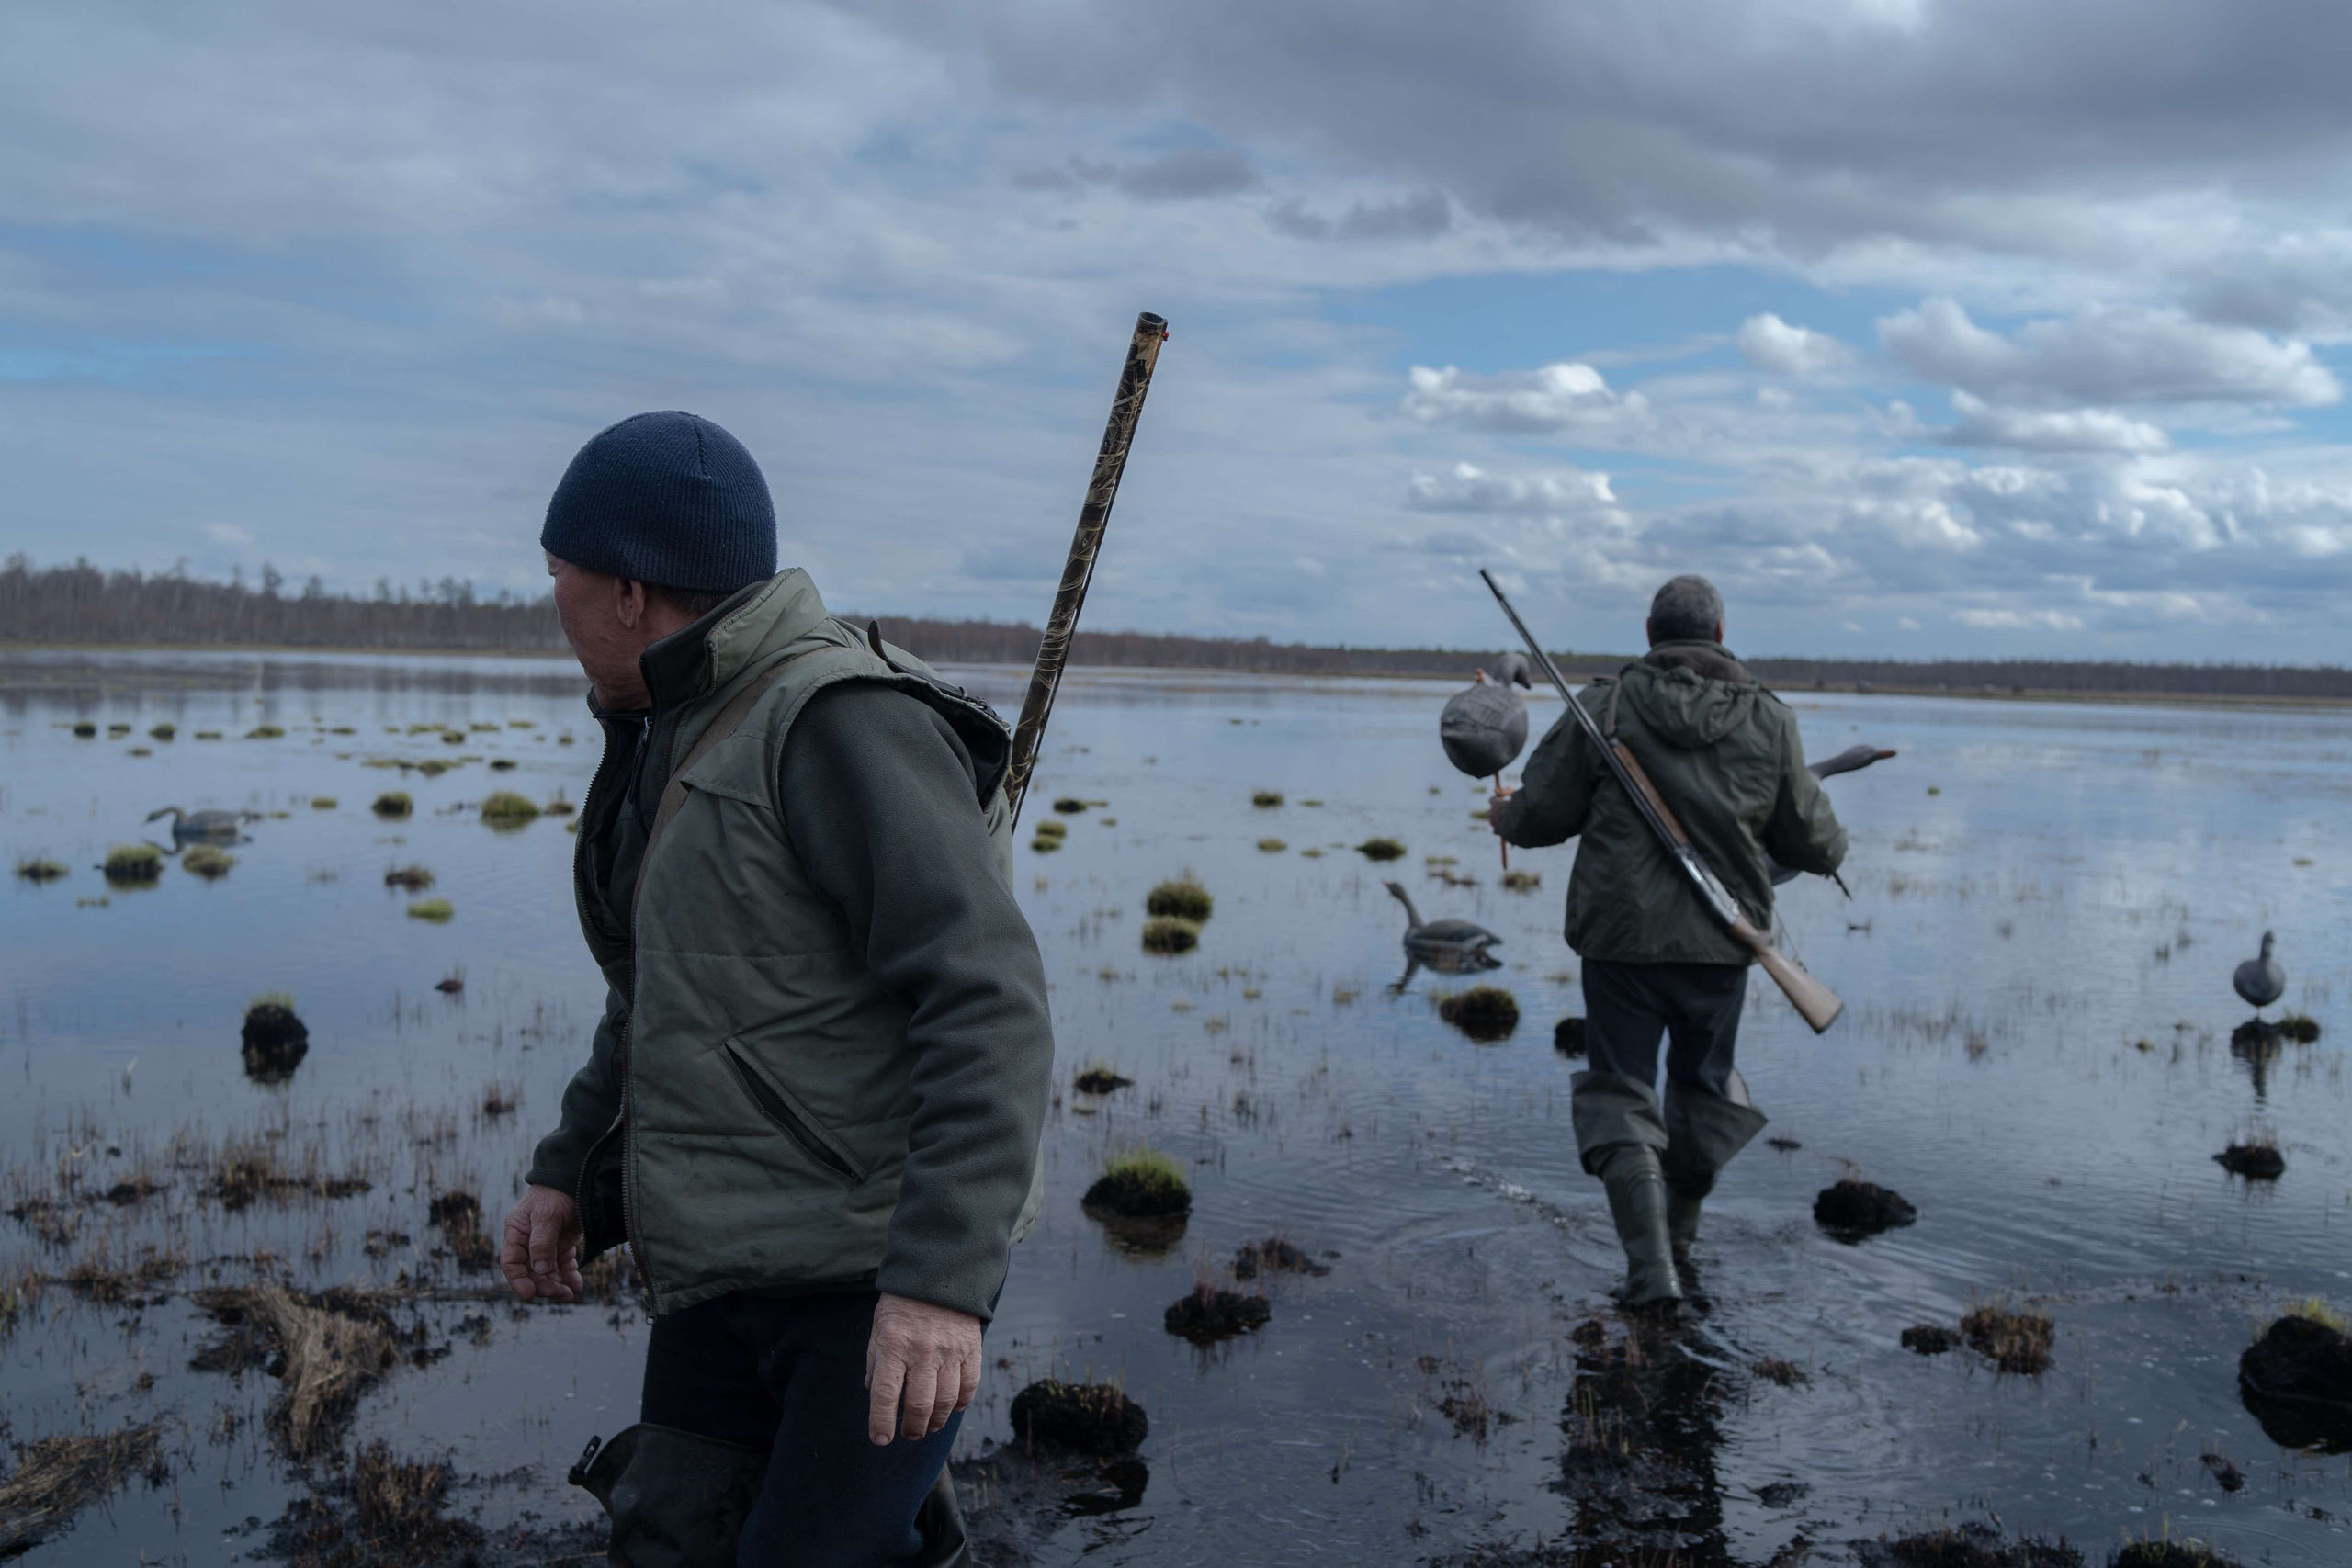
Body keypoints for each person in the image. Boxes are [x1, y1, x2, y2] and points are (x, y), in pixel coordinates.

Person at [500, 411, 1054, 1565]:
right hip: (723, 1260)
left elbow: (986, 1000)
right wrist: (571, 1166)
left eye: (559, 576)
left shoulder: (837, 723)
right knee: (669, 1538)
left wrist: (940, 1284)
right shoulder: (681, 723)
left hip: (864, 1275)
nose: (551, 601)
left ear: (630, 593)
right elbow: (670, 986)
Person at [1489, 575, 1845, 1312]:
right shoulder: (1770, 718)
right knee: (1703, 1095)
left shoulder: (1605, 707)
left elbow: (1541, 815)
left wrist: (1505, 816)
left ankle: (1652, 1273)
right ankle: (1680, 1241)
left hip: (1620, 945)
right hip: (1722, 948)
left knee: (1622, 1094)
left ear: (1649, 633)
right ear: (1721, 633)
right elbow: (1813, 841)